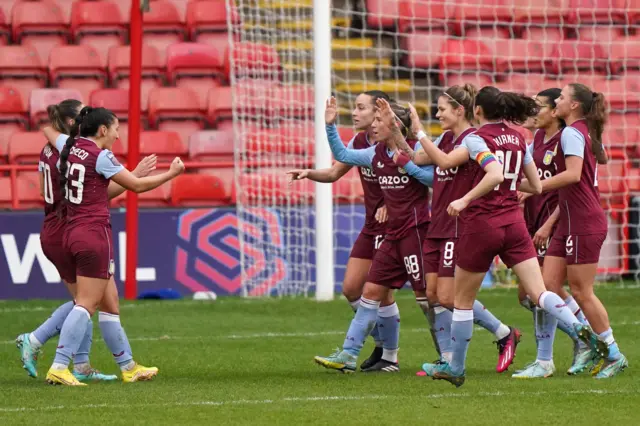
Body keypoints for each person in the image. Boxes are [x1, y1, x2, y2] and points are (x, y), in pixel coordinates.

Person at [411, 86, 596, 387]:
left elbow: (453, 165)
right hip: (514, 224)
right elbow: (535, 187)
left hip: (482, 226)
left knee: (461, 301)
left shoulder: (475, 139)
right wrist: (509, 189)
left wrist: (419, 133)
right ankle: (581, 332)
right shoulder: (519, 139)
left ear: (478, 112)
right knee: (540, 292)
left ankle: (455, 367)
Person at [43, 106, 184, 386]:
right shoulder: (101, 155)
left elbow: (50, 132)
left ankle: (128, 366)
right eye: (117, 129)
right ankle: (59, 365)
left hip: (71, 231)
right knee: (86, 304)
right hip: (94, 234)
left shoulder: (70, 146)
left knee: (109, 303)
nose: (119, 136)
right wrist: (171, 174)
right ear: (103, 130)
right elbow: (137, 187)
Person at [16, 100, 156, 382]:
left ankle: (95, 365)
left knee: (102, 300)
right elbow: (92, 197)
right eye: (82, 114)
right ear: (71, 123)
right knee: (89, 301)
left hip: (59, 225)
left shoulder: (52, 149)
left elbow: (50, 188)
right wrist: (135, 178)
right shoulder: (72, 153)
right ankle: (38, 342)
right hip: (70, 226)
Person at [394, 86, 520, 374]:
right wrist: (398, 133)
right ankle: (449, 357)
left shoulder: (470, 141)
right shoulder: (447, 138)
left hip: (457, 224)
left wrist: (419, 132)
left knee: (450, 298)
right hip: (437, 222)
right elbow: (418, 157)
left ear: (460, 111)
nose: (437, 114)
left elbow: (443, 161)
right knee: (433, 295)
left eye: (441, 109)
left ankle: (501, 333)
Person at [314, 97, 434, 373]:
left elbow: (433, 181)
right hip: (390, 234)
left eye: (378, 118)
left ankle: (453, 356)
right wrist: (330, 126)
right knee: (368, 291)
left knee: (432, 299)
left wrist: (408, 163)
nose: (372, 123)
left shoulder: (419, 150)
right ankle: (351, 353)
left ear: (393, 123)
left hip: (416, 232)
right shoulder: (373, 152)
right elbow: (342, 158)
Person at [519, 83, 627, 379]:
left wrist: (531, 187)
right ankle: (580, 345)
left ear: (574, 106)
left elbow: (573, 174)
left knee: (582, 291)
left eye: (563, 98)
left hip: (582, 220)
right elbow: (601, 159)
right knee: (545, 287)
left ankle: (613, 353)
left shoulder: (570, 132)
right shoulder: (580, 131)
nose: (559, 102)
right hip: (568, 219)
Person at [287, 91, 400, 372]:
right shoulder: (360, 142)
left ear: (378, 111)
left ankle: (391, 356)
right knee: (351, 289)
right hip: (372, 226)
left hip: (399, 227)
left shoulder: (397, 142)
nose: (355, 112)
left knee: (414, 297)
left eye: (361, 107)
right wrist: (309, 172)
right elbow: (336, 172)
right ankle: (382, 347)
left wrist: (391, 205)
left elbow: (417, 178)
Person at [512, 89, 592, 378]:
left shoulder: (566, 139)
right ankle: (583, 335)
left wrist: (548, 224)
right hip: (535, 218)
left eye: (539, 107)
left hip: (554, 220)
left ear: (554, 112)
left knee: (543, 290)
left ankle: (550, 357)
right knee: (529, 293)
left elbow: (571, 188)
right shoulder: (536, 139)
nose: (534, 112)